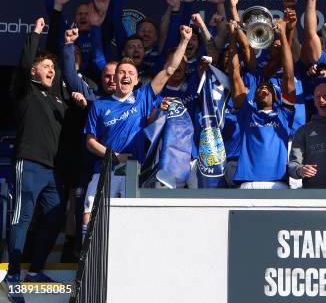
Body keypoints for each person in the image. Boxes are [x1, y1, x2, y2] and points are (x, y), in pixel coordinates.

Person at [6, 18, 87, 294]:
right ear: (33, 71)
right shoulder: (25, 91)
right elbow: (25, 59)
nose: (51, 70)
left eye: (53, 67)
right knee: (22, 217)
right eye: (46, 66)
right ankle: (13, 275)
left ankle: (35, 270)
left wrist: (78, 106)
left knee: (54, 220)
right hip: (28, 163)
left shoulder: (58, 99)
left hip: (53, 171)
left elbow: (74, 130)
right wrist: (37, 31)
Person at [83, 25, 192, 226]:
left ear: (136, 80)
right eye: (121, 72)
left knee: (128, 223)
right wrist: (113, 156)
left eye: (130, 73)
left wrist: (184, 41)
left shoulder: (143, 98)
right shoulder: (99, 105)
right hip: (104, 170)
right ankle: (89, 258)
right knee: (91, 219)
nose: (126, 76)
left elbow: (169, 69)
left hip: (133, 172)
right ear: (115, 78)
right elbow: (90, 141)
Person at [229, 19, 296, 189]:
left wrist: (282, 34)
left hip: (278, 184)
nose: (263, 89)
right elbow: (235, 74)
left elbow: (288, 74)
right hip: (248, 183)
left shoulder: (284, 114)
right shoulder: (246, 113)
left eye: (267, 87)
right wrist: (232, 36)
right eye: (259, 88)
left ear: (276, 96)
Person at [288, 84, 326, 188]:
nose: (321, 100)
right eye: (317, 97)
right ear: (314, 101)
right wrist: (300, 170)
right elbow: (292, 165)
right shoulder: (303, 131)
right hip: (313, 196)